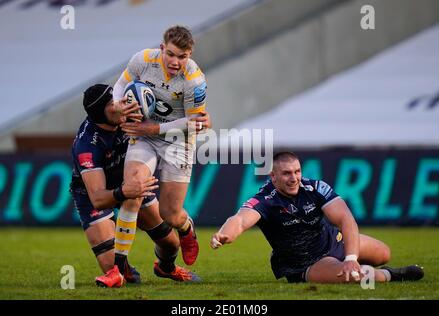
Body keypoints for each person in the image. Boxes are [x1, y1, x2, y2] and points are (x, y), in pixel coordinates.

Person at [210, 152, 424, 284]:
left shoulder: (314, 187)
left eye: (297, 171)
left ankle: (355, 262)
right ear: (273, 177)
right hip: (305, 262)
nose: (293, 178)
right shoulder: (266, 199)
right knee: (354, 278)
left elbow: (346, 219)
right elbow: (239, 220)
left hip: (332, 240)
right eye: (286, 173)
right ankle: (390, 276)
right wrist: (223, 235)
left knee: (383, 253)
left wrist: (350, 258)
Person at [71, 84, 203, 288]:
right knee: (114, 269)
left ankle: (166, 267)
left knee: (170, 244)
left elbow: (183, 120)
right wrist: (124, 191)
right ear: (101, 113)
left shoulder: (135, 111)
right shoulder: (87, 144)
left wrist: (200, 120)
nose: (123, 105)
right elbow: (98, 199)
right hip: (94, 194)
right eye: (114, 104)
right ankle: (123, 270)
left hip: (132, 183)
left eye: (119, 98)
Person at [105, 25, 208, 281]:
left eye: (182, 57)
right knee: (133, 191)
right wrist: (121, 109)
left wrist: (153, 127)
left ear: (190, 54)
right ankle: (118, 269)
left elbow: (198, 123)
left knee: (170, 215)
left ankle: (186, 228)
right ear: (162, 48)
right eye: (171, 54)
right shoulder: (143, 60)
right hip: (144, 137)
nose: (175, 62)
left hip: (177, 140)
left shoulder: (194, 80)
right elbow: (119, 87)